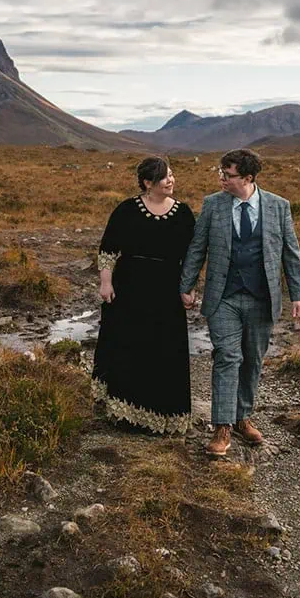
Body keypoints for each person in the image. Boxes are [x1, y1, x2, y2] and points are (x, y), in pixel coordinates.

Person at [179, 148, 300, 458]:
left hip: (263, 298)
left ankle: (242, 418)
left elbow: (291, 252)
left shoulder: (278, 206)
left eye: (229, 174)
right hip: (223, 296)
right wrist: (187, 285)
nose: (222, 178)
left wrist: (298, 294)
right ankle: (222, 426)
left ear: (248, 178)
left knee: (252, 360)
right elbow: (197, 248)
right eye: (221, 173)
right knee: (227, 356)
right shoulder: (213, 205)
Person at [92, 156, 195, 435]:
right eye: (165, 177)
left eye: (172, 174)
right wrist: (106, 282)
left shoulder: (184, 214)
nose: (171, 180)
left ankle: (163, 416)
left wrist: (189, 287)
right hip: (129, 289)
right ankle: (125, 412)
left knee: (164, 348)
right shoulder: (126, 210)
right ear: (148, 183)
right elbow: (108, 250)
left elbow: (191, 257)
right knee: (129, 346)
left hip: (166, 292)